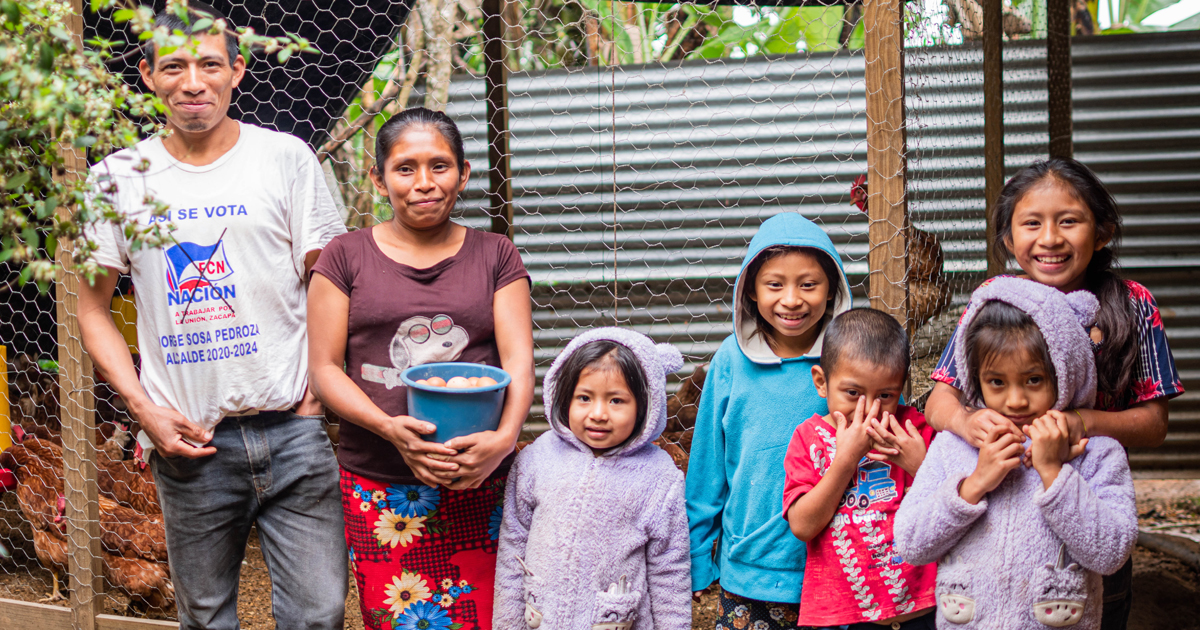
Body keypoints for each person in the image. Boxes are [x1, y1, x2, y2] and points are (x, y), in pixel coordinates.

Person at [76, 4, 348, 628]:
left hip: (294, 429)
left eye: (209, 64)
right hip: (188, 441)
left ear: (237, 70)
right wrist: (146, 412)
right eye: (174, 66)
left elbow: (330, 281)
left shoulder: (285, 159)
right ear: (148, 75)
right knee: (205, 615)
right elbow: (90, 306)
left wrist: (320, 391)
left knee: (319, 612)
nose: (192, 81)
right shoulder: (116, 179)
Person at [923, 158, 1183, 629]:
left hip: (1088, 499)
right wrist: (965, 421)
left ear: (1101, 232)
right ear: (1008, 239)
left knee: (1095, 601)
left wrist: (1081, 423)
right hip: (997, 501)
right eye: (1031, 223)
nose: (1049, 239)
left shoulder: (1132, 304)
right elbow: (939, 398)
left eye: (1069, 221)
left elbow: (1154, 423)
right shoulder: (993, 300)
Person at [307, 107, 534, 630]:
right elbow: (324, 369)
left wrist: (501, 442)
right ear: (378, 177)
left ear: (464, 173)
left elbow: (519, 360)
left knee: (491, 618)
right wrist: (391, 429)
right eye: (405, 168)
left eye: (440, 166)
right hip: (380, 482)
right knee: (399, 620)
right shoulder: (344, 256)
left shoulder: (495, 254)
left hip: (481, 478)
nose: (424, 183)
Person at [895, 276, 1138, 629]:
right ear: (975, 378)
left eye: (1034, 380)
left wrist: (1054, 474)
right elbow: (912, 544)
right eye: (997, 382)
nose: (1016, 400)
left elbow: (1111, 554)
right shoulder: (954, 447)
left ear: (1065, 371)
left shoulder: (1097, 452)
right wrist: (974, 483)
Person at [686, 212, 852, 629]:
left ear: (832, 289)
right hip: (750, 568)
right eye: (774, 284)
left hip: (840, 564)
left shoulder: (851, 359)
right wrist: (696, 555)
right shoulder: (730, 361)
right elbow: (707, 468)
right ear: (751, 292)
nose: (792, 299)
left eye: (808, 284)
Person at [493, 328, 691, 630]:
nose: (598, 413)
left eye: (616, 401)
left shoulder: (659, 477)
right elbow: (513, 543)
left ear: (645, 406)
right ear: (563, 397)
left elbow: (669, 570)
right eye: (584, 397)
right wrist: (506, 624)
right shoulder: (537, 459)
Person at [782, 308, 937, 629]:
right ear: (822, 382)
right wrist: (845, 460)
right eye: (853, 393)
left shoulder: (914, 432)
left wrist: (920, 466)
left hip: (923, 610)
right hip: (846, 617)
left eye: (885, 395)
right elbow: (802, 526)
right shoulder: (809, 439)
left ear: (901, 387)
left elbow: (953, 506)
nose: (869, 409)